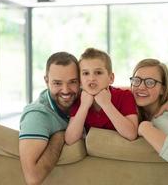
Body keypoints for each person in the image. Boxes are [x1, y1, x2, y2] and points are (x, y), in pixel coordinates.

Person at [19, 52, 80, 185]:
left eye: (73, 82)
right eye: (57, 83)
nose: (65, 90)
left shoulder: (84, 99)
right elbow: (33, 178)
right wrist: (60, 136)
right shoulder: (36, 115)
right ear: (46, 81)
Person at [65, 48, 139, 145]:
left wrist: (106, 104)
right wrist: (84, 106)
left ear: (111, 78)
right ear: (80, 81)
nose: (91, 78)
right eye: (86, 73)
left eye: (98, 72)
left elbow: (131, 134)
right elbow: (70, 140)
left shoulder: (125, 96)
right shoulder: (79, 101)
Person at [130, 58, 168, 166]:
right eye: (136, 80)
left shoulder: (163, 118)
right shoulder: (131, 107)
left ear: (163, 89)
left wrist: (144, 128)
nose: (141, 87)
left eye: (150, 82)